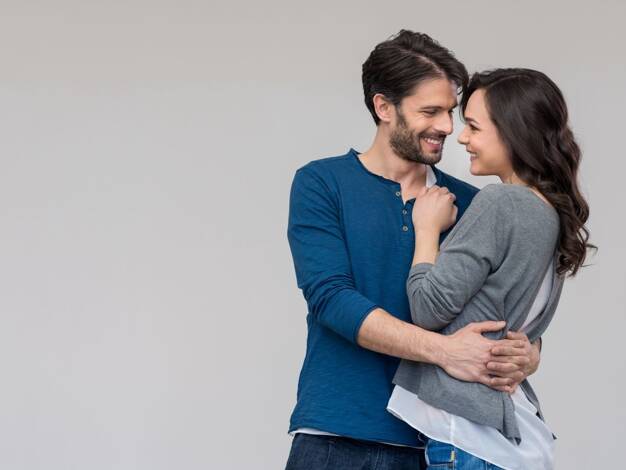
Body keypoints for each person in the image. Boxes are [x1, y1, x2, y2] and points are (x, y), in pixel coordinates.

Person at [285, 31, 544, 470]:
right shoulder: (322, 183)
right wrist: (444, 351)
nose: (447, 126)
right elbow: (331, 299)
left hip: (442, 443)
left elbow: (508, 304)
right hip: (337, 435)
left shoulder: (474, 203)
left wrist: (529, 352)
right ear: (384, 107)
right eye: (430, 111)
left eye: (450, 111)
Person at [388, 69, 593, 470]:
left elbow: (428, 309)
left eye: (475, 127)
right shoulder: (551, 213)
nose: (462, 137)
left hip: (470, 439)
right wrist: (532, 351)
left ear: (514, 132)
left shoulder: (501, 202)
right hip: (512, 437)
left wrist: (426, 229)